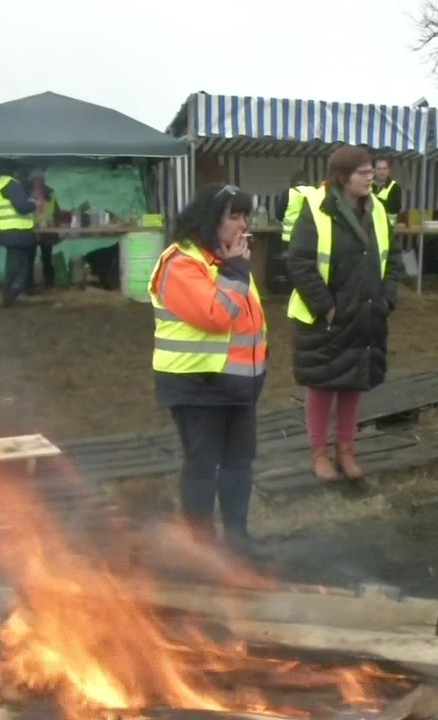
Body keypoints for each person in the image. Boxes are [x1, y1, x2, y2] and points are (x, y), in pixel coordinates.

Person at [147, 183, 269, 560]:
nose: (243, 224)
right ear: (209, 219)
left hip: (236, 385)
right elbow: (216, 316)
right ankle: (201, 548)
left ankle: (237, 539)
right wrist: (236, 269)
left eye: (246, 215)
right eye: (233, 215)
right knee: (202, 463)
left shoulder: (225, 263)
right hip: (196, 385)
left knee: (239, 462)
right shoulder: (180, 263)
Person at [287, 145, 400, 482]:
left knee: (354, 382)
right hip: (326, 317)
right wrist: (327, 308)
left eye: (371, 171)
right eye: (362, 172)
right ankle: (319, 452)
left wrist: (387, 299)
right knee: (322, 385)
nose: (371, 177)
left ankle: (346, 450)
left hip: (366, 313)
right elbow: (300, 262)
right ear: (342, 176)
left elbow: (391, 258)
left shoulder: (377, 208)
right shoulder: (316, 208)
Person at [0, 168, 42, 307]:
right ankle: (11, 293)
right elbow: (21, 207)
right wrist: (34, 204)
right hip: (15, 231)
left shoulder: (0, 183)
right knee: (21, 265)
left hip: (9, 231)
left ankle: (10, 293)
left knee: (14, 264)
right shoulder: (10, 184)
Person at [28, 170, 63, 291]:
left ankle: (49, 284)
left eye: (40, 180)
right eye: (35, 180)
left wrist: (56, 229)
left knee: (46, 258)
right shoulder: (27, 194)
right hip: (31, 230)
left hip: (46, 231)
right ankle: (30, 286)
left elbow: (56, 212)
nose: (38, 182)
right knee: (30, 259)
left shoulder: (49, 193)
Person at [277, 171, 318, 245]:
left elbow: (279, 215)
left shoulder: (288, 193)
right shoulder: (316, 193)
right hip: (311, 238)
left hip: (289, 238)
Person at [372, 158, 403, 226]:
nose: (382, 171)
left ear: (389, 170)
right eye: (379, 169)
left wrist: (374, 200)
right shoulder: (368, 185)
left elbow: (394, 208)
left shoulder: (394, 187)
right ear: (374, 170)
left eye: (384, 168)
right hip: (370, 226)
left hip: (387, 226)